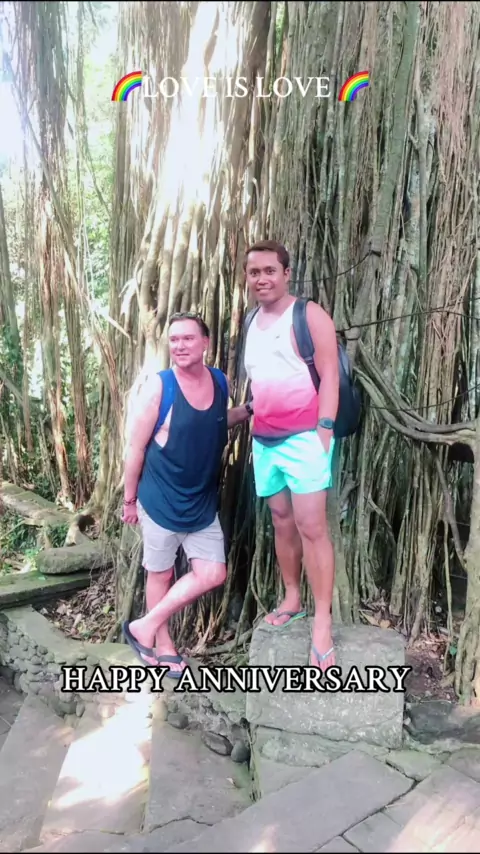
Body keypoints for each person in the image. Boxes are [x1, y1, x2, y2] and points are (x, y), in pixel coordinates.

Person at [121, 312, 249, 676]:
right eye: (174, 339)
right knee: (160, 574)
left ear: (205, 342)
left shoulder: (219, 381)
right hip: (160, 501)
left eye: (188, 338)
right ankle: (163, 646)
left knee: (213, 573)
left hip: (201, 503)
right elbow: (135, 447)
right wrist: (129, 500)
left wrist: (250, 410)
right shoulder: (160, 388)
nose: (179, 346)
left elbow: (217, 421)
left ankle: (143, 626)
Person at [243, 240, 339, 670]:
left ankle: (323, 622)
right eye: (254, 272)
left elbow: (330, 374)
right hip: (265, 440)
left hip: (305, 439)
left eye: (270, 270)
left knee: (312, 527)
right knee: (281, 521)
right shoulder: (250, 320)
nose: (262, 278)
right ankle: (292, 598)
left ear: (286, 273)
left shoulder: (309, 314)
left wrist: (324, 431)